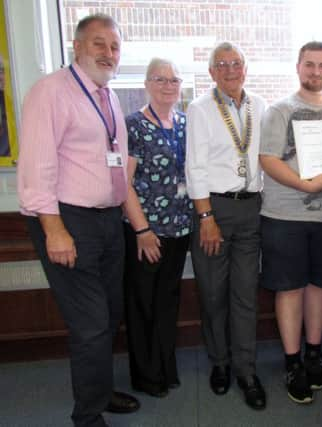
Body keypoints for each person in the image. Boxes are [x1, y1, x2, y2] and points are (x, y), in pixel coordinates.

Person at [17, 13, 140, 427]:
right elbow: (36, 168)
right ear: (77, 46)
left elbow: (114, 162)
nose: (108, 53)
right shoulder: (50, 92)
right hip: (67, 221)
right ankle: (87, 417)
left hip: (108, 220)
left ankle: (100, 392)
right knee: (90, 325)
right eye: (98, 44)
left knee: (107, 315)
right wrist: (55, 231)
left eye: (115, 46)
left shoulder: (107, 96)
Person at [259, 41, 322, 404]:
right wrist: (303, 184)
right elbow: (268, 159)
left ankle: (314, 352)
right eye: (310, 65)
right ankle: (292, 360)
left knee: (319, 286)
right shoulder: (280, 110)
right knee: (290, 288)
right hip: (285, 214)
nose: (316, 72)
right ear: (298, 67)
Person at [185, 42, 267, 410]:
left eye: (236, 63)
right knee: (214, 293)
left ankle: (246, 370)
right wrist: (205, 218)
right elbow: (195, 166)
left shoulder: (260, 105)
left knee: (245, 294)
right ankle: (219, 363)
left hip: (251, 209)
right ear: (212, 72)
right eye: (222, 64)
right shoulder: (200, 109)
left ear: (245, 69)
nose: (231, 69)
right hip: (213, 210)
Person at [122, 58, 193, 398]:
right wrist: (141, 230)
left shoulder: (184, 122)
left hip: (180, 230)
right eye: (160, 79)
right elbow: (124, 183)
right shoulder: (133, 124)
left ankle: (166, 367)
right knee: (142, 302)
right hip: (146, 232)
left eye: (174, 79)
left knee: (167, 300)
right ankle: (146, 376)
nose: (168, 85)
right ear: (147, 84)